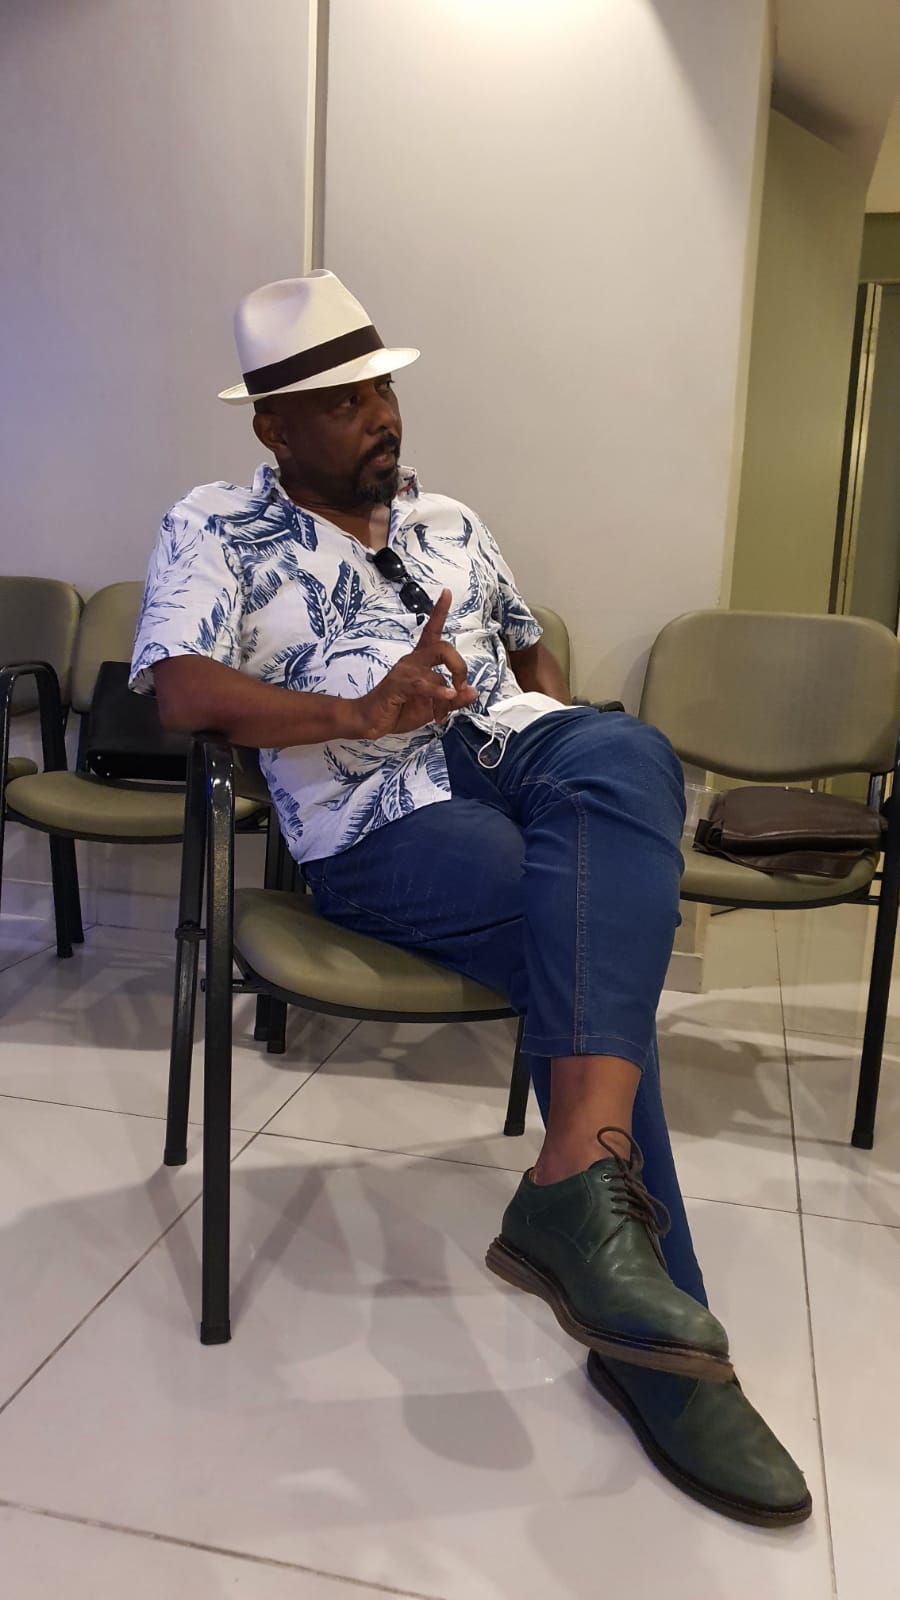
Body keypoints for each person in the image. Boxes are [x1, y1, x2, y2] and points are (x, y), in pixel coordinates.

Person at [132, 270, 811, 1526]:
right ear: (273, 426)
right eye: (344, 401)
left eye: (382, 388)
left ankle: (576, 1193)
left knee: (627, 750)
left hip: (515, 758)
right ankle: (665, 1359)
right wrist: (357, 711)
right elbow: (179, 688)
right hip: (384, 811)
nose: (381, 414)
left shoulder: (449, 516)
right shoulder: (215, 524)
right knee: (591, 942)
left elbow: (522, 643)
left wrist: (545, 715)